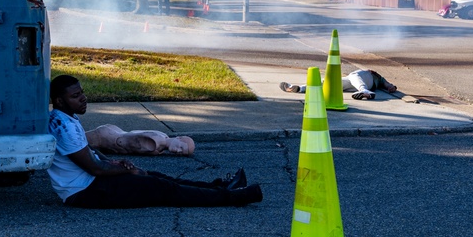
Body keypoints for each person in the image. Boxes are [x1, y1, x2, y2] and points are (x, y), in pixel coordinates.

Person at [47, 75, 262, 208]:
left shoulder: (67, 118)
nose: (83, 98)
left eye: (82, 93)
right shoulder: (62, 126)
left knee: (156, 177)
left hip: (92, 184)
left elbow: (91, 153)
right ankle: (233, 197)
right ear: (59, 100)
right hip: (85, 192)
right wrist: (126, 171)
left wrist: (116, 164)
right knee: (161, 188)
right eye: (76, 96)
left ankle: (223, 187)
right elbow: (94, 168)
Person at [280, 69, 398, 100]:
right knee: (330, 82)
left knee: (354, 74)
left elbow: (389, 85)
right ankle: (300, 88)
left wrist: (390, 86)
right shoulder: (366, 77)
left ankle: (364, 91)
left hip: (367, 82)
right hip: (356, 86)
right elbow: (389, 87)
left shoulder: (376, 76)